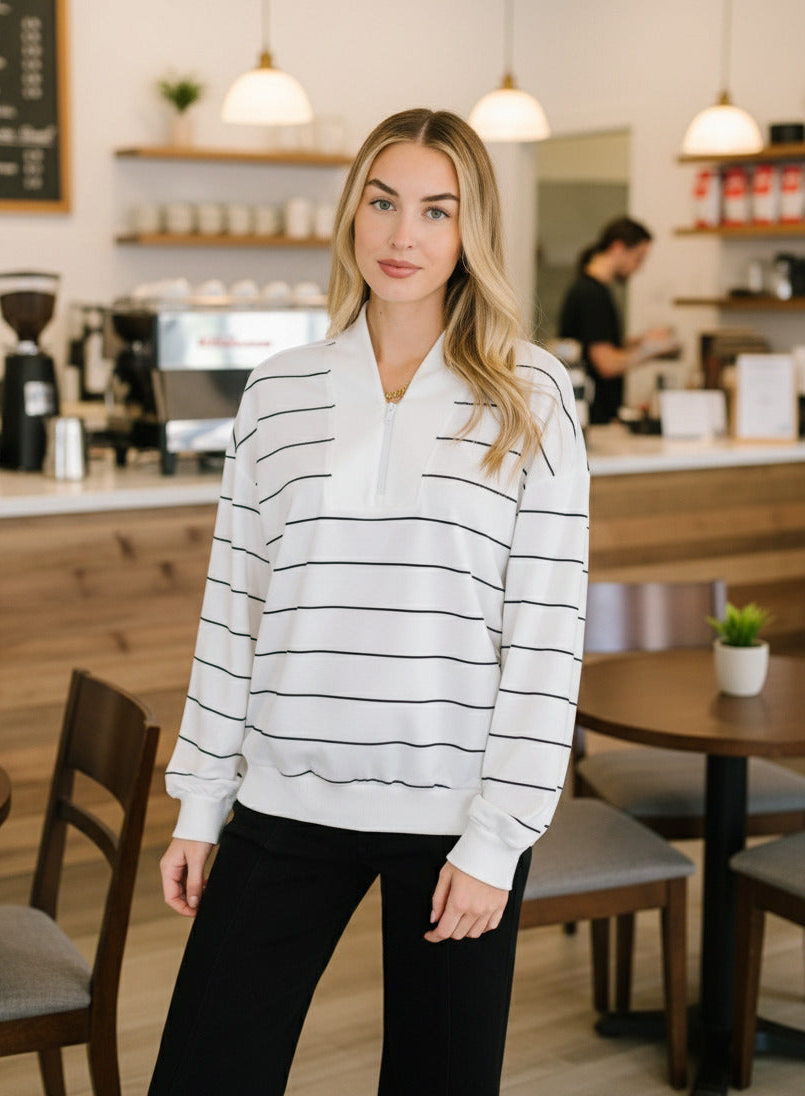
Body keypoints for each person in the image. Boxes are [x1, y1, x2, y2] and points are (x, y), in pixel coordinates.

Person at [148, 108, 590, 1096]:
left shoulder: (532, 395)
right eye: (384, 203)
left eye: (437, 211)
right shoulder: (278, 392)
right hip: (281, 798)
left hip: (454, 817)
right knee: (203, 1074)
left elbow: (547, 636)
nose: (404, 236)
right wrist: (198, 804)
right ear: (352, 213)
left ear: (472, 232)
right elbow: (234, 613)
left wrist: (499, 838)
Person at [558, 216, 679, 424]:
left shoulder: (596, 290)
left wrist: (640, 340)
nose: (639, 267)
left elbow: (598, 343)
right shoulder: (591, 294)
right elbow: (606, 364)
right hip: (593, 419)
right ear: (617, 247)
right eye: (638, 258)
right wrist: (652, 349)